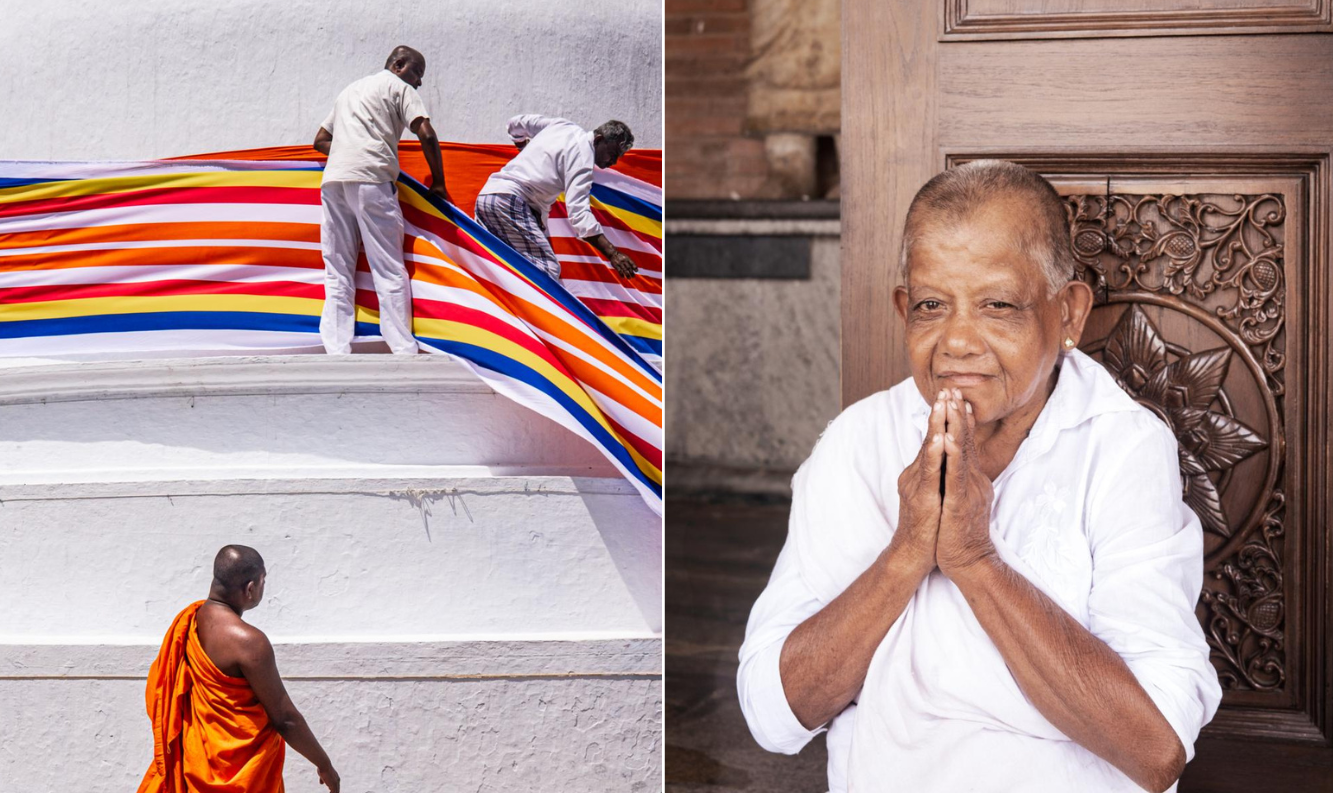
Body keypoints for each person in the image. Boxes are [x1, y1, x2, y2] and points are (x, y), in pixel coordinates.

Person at [737, 160, 1222, 792]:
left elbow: (1155, 749)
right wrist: (908, 552)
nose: (957, 342)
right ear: (903, 309)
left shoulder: (1122, 449)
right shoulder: (860, 441)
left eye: (998, 306)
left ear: (1069, 315)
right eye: (933, 306)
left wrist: (972, 558)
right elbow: (774, 716)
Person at [138, 546, 340, 793]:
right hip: (243, 776)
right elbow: (285, 719)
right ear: (251, 588)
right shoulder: (249, 642)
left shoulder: (190, 621)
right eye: (263, 582)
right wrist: (324, 764)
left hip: (196, 769)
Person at [313, 45, 450, 355]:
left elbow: (320, 140)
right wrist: (439, 183)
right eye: (418, 73)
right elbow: (426, 133)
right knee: (388, 266)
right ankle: (402, 347)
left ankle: (336, 349)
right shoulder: (397, 86)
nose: (419, 83)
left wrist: (348, 150)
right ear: (399, 65)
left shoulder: (350, 90)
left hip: (333, 181)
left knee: (337, 268)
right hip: (372, 179)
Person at [475, 115, 638, 283]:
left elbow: (515, 124)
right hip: (509, 202)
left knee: (503, 267)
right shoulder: (583, 159)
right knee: (548, 271)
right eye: (612, 154)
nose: (613, 162)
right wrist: (613, 253)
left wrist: (522, 148)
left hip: (488, 197)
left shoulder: (561, 125)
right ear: (598, 139)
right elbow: (579, 215)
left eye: (618, 157)